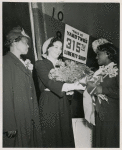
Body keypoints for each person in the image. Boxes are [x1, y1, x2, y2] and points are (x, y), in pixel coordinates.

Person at [35, 37, 85, 148]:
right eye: (56, 47)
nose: (59, 50)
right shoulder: (40, 63)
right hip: (49, 104)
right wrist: (71, 86)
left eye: (61, 48)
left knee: (65, 137)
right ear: (47, 49)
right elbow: (48, 82)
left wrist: (70, 93)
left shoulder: (64, 66)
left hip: (63, 104)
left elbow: (64, 89)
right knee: (51, 137)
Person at [3, 26, 43, 147]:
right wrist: (9, 124)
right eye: (25, 42)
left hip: (28, 118)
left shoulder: (22, 63)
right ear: (14, 41)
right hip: (17, 120)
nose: (28, 46)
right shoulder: (5, 62)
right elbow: (5, 94)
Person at [87, 38, 119, 148]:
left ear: (107, 54)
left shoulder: (118, 70)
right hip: (99, 116)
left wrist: (103, 90)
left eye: (98, 54)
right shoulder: (100, 72)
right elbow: (91, 90)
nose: (96, 57)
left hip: (112, 118)